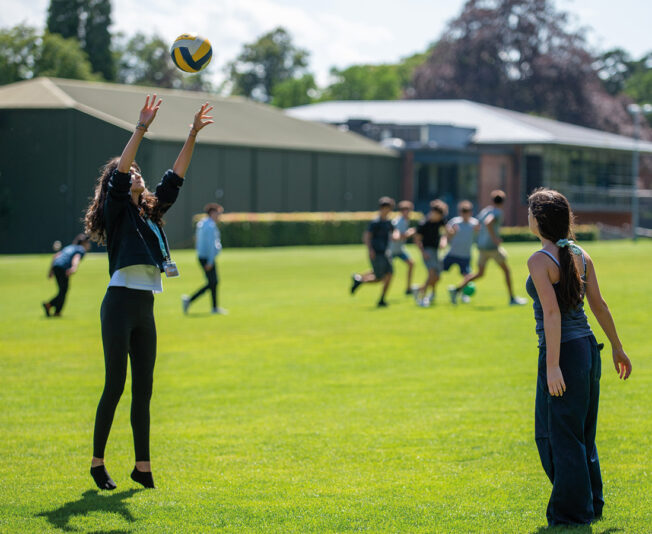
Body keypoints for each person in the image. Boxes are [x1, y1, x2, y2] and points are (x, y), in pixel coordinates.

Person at [83, 94, 213, 490]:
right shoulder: (118, 211)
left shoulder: (149, 212)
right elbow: (120, 173)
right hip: (120, 303)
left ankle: (142, 467)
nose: (135, 173)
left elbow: (175, 177)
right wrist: (141, 128)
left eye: (139, 171)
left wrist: (191, 133)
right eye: (130, 172)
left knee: (144, 391)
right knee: (115, 386)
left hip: (145, 307)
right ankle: (97, 462)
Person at [526, 188, 632, 526]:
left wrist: (554, 365)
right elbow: (599, 305)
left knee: (560, 435)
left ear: (539, 219)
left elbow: (553, 315)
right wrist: (616, 346)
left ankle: (571, 513)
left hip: (565, 354)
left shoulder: (540, 260)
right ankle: (590, 504)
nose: (527, 216)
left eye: (530, 211)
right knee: (582, 433)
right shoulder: (580, 253)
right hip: (588, 349)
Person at [449, 190, 526, 305]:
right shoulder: (498, 212)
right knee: (506, 270)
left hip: (482, 247)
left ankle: (456, 290)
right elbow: (488, 222)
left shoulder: (486, 210)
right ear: (503, 201)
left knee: (480, 273)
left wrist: (480, 238)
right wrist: (494, 238)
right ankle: (512, 298)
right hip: (491, 247)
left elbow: (478, 225)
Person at [182, 203, 227, 315]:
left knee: (213, 282)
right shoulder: (210, 226)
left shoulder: (202, 224)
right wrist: (210, 261)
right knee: (213, 282)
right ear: (212, 213)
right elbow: (211, 245)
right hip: (207, 258)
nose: (219, 216)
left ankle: (214, 307)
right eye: (218, 213)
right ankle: (189, 300)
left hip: (202, 257)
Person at [350, 196, 395, 307]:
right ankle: (360, 281)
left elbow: (394, 233)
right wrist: (370, 249)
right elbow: (366, 236)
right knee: (379, 277)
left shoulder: (389, 222)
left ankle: (382, 299)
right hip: (377, 252)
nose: (387, 210)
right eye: (385, 208)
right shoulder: (375, 222)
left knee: (389, 274)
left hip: (385, 252)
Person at [42, 233, 91, 317]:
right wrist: (74, 267)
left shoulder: (69, 247)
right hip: (63, 268)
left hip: (56, 266)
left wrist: (51, 271)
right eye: (87, 242)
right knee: (63, 290)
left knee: (63, 290)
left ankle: (57, 311)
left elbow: (55, 256)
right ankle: (49, 305)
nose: (88, 244)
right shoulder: (81, 249)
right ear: (83, 243)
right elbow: (76, 257)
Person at [413, 199, 448, 307]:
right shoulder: (424, 223)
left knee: (437, 277)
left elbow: (445, 233)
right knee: (432, 274)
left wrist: (444, 241)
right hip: (427, 251)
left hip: (436, 251)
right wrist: (423, 252)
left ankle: (419, 289)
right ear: (433, 212)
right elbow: (417, 240)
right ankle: (423, 298)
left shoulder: (440, 221)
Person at [443, 201, 479, 304]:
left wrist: (477, 231)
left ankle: (463, 295)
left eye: (467, 211)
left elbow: (478, 238)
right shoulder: (454, 222)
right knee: (436, 272)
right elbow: (446, 236)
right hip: (452, 254)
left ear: (470, 212)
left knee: (467, 277)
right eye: (463, 211)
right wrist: (450, 235)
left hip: (465, 256)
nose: (465, 213)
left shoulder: (474, 224)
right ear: (460, 212)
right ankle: (431, 294)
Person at [389, 200, 416, 296]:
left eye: (409, 210)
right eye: (406, 210)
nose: (408, 212)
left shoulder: (405, 220)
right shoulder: (398, 222)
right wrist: (409, 233)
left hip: (400, 249)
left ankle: (408, 288)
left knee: (411, 264)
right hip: (391, 250)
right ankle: (360, 278)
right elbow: (396, 237)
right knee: (382, 270)